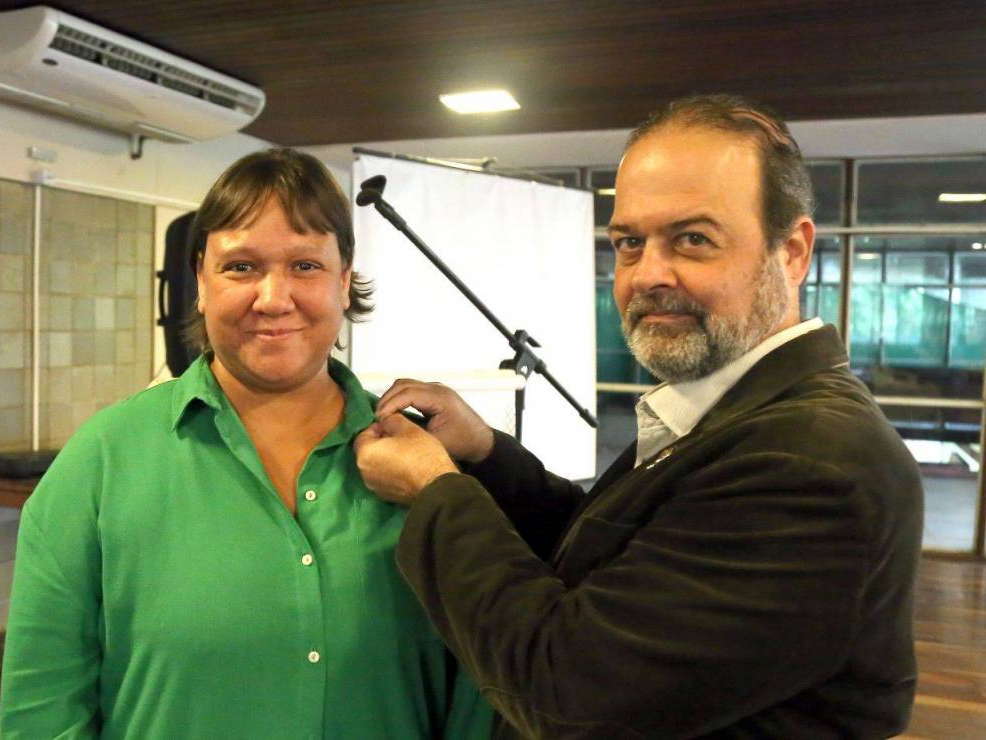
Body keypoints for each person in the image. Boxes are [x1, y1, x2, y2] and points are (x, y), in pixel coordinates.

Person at [353, 95, 924, 738]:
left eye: (693, 239)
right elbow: (612, 560)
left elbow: (568, 691)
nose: (647, 275)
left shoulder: (810, 465)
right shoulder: (734, 407)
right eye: (629, 242)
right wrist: (486, 456)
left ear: (791, 252)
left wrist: (435, 491)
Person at [0, 148, 494, 738]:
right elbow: (43, 708)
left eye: (305, 265)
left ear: (343, 281)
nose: (274, 298)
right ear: (200, 282)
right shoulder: (102, 461)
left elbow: (478, 699)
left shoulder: (427, 468)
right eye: (241, 267)